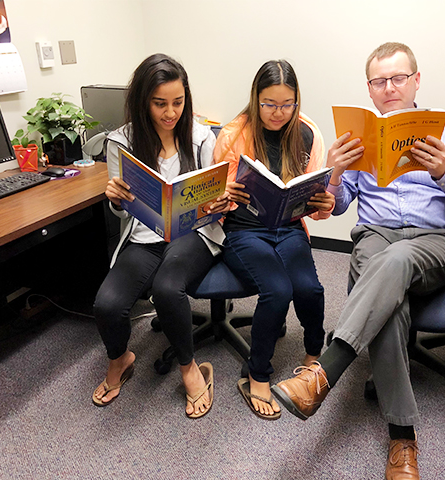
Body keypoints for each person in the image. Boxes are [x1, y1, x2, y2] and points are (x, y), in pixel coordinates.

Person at [272, 42, 445, 479]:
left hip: (434, 240)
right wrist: (332, 171)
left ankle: (324, 371)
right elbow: (332, 206)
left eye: (398, 78)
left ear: (416, 80)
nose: (389, 87)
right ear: (369, 89)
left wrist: (444, 171)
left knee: (398, 259)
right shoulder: (358, 136)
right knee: (389, 305)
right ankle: (402, 440)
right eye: (378, 81)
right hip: (374, 235)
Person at [92, 54, 229, 419]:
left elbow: (213, 194)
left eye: (178, 102)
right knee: (106, 305)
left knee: (168, 288)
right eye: (160, 104)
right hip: (144, 235)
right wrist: (116, 199)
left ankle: (189, 368)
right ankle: (121, 357)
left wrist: (219, 202)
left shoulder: (200, 136)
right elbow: (120, 210)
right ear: (142, 101)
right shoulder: (121, 141)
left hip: (193, 233)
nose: (171, 113)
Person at [213, 59, 335, 420]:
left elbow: (315, 204)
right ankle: (257, 374)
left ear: (297, 101)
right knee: (277, 290)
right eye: (269, 104)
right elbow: (212, 206)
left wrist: (323, 204)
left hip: (289, 226)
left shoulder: (308, 132)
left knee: (310, 288)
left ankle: (314, 358)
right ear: (256, 98)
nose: (278, 113)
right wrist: (224, 195)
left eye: (287, 104)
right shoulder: (234, 135)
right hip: (244, 229)